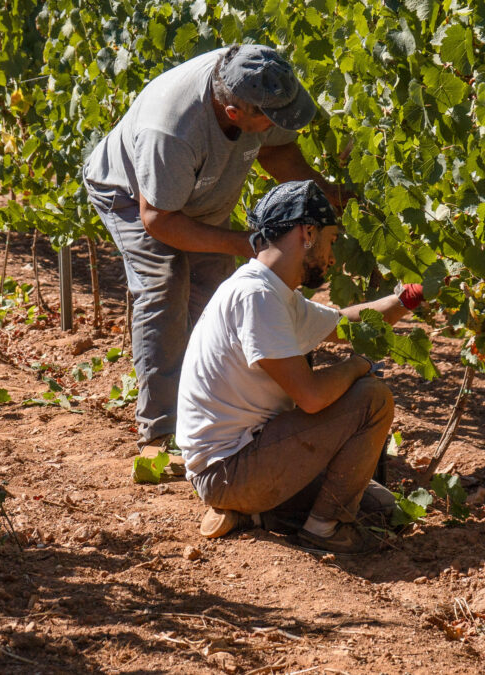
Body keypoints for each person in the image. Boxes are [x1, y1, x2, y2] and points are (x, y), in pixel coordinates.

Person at [83, 44, 351, 451]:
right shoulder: (172, 129)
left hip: (198, 196)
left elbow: (277, 150)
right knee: (166, 284)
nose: (277, 124)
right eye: (270, 121)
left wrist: (323, 191)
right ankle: (160, 429)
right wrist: (245, 243)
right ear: (235, 114)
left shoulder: (260, 81)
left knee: (211, 292)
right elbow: (159, 219)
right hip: (132, 195)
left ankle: (205, 413)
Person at [175, 181, 428, 555]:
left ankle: (253, 516)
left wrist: (411, 297)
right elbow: (310, 397)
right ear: (307, 233)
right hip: (228, 471)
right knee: (372, 397)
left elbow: (345, 321)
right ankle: (325, 529)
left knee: (383, 510)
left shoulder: (274, 292)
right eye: (331, 238)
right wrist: (359, 365)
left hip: (250, 456)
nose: (333, 254)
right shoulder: (257, 296)